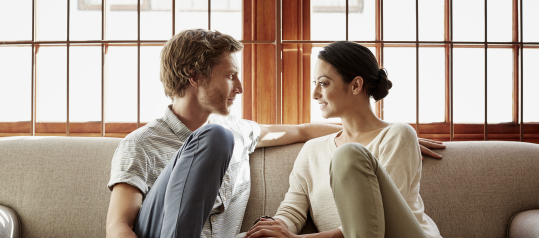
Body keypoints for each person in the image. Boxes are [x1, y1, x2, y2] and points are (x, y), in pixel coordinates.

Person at [105, 30, 444, 238]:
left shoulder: (238, 131)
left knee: (222, 136)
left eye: (323, 84)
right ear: (194, 75)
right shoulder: (143, 144)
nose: (240, 87)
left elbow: (301, 129)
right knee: (217, 138)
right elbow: (119, 227)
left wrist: (388, 135)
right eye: (231, 76)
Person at [245, 41, 442, 238]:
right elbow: (292, 212)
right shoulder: (312, 150)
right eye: (315, 84)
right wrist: (273, 228)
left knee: (348, 155)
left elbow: (377, 219)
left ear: (356, 85)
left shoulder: (398, 135)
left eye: (323, 83)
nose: (315, 94)